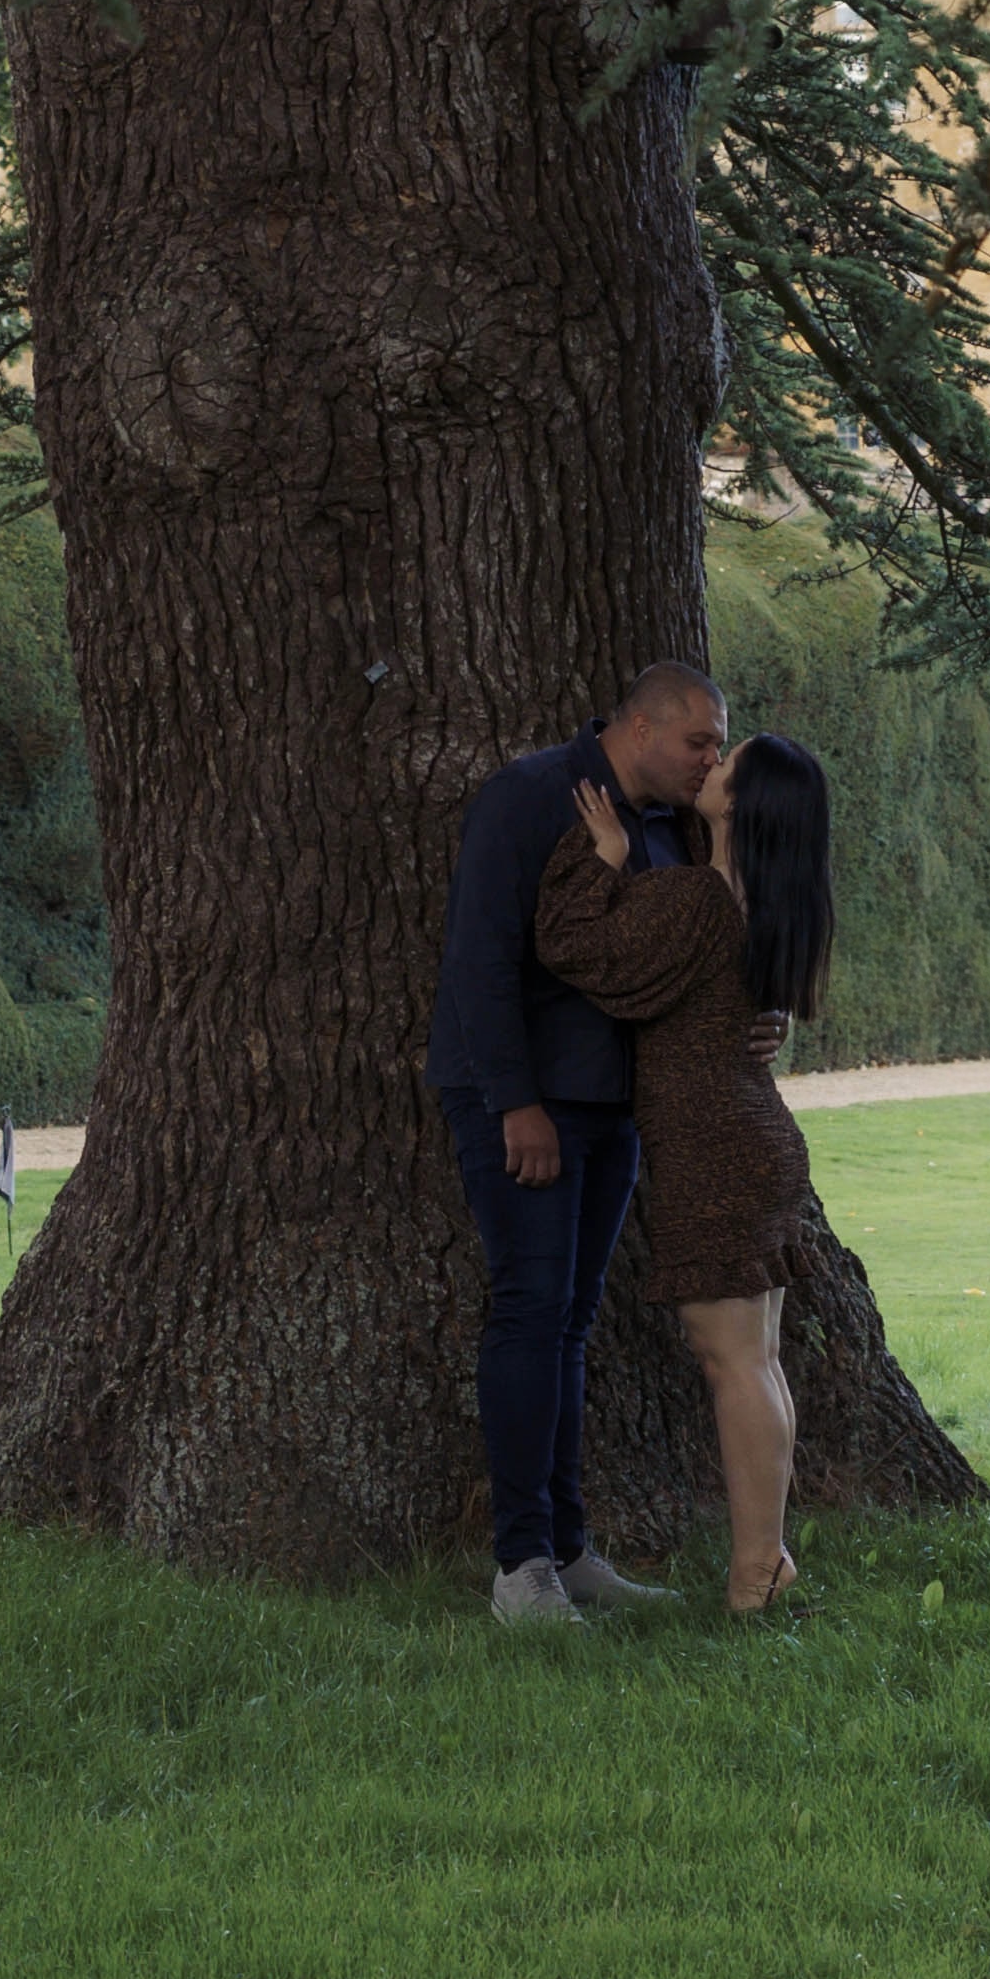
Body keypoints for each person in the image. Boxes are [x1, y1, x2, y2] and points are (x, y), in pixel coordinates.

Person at [424, 660, 727, 1627]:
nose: (710, 760)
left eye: (717, 746)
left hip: (611, 1105)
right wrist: (516, 1103)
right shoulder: (528, 797)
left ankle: (567, 1550)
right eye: (699, 742)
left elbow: (685, 951)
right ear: (640, 729)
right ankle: (520, 1570)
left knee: (572, 1324)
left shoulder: (673, 827)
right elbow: (479, 959)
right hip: (522, 1101)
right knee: (530, 1312)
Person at [535, 729, 834, 1619]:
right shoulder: (763, 902)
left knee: (734, 1362)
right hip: (754, 1143)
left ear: (742, 804)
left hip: (716, 1152)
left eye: (727, 763)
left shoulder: (699, 898)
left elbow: (576, 947)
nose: (710, 765)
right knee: (755, 1360)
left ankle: (756, 1573)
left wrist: (604, 858)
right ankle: (768, 1561)